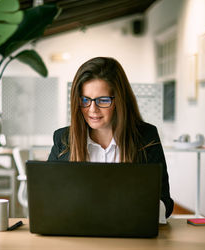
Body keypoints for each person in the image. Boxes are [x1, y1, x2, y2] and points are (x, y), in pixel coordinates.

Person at [47, 57, 174, 219]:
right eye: (85, 100)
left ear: (119, 100)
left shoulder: (145, 137)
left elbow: (165, 201)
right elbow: (49, 197)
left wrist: (143, 209)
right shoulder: (63, 139)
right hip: (77, 233)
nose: (92, 109)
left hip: (129, 235)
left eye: (103, 100)